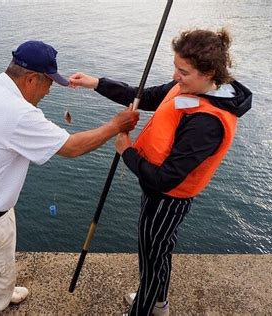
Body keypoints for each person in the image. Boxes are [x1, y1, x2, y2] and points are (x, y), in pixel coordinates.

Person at [0, 40, 139, 315]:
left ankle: (2, 285)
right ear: (31, 79)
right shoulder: (17, 113)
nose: (49, 91)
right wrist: (115, 125)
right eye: (48, 83)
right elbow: (72, 147)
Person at [69, 28, 252, 315]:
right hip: (155, 190)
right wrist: (96, 83)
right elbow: (141, 95)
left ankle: (144, 309)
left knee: (153, 257)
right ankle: (159, 303)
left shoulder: (208, 124)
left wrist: (126, 151)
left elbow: (166, 178)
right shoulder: (189, 87)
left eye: (183, 71)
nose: (176, 76)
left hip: (168, 198)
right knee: (155, 250)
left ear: (209, 72)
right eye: (176, 68)